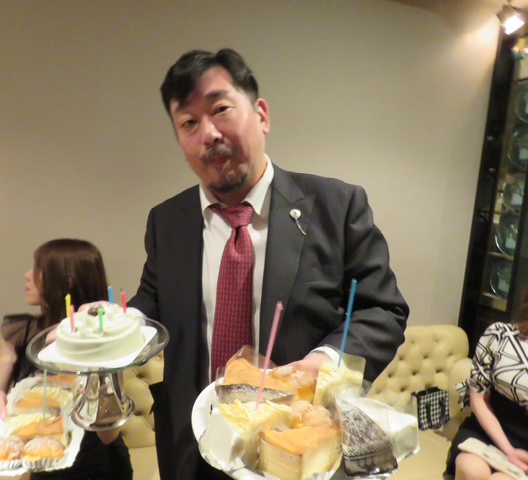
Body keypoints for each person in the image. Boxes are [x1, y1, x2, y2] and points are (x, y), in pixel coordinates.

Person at [128, 48, 409, 480]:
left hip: (293, 448)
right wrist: (114, 323)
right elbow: (152, 300)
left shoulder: (337, 206)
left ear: (261, 115)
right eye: (188, 123)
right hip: (193, 443)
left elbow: (383, 310)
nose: (208, 133)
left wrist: (327, 360)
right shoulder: (167, 221)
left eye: (221, 110)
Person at [0, 238, 133, 480]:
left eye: (37, 269)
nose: (27, 275)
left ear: (68, 280)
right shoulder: (21, 334)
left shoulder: (102, 338)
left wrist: (99, 381)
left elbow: (108, 435)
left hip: (101, 465)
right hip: (45, 464)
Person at [446, 262, 528, 480]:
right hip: (492, 433)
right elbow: (478, 396)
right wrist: (508, 450)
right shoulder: (500, 335)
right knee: (471, 470)